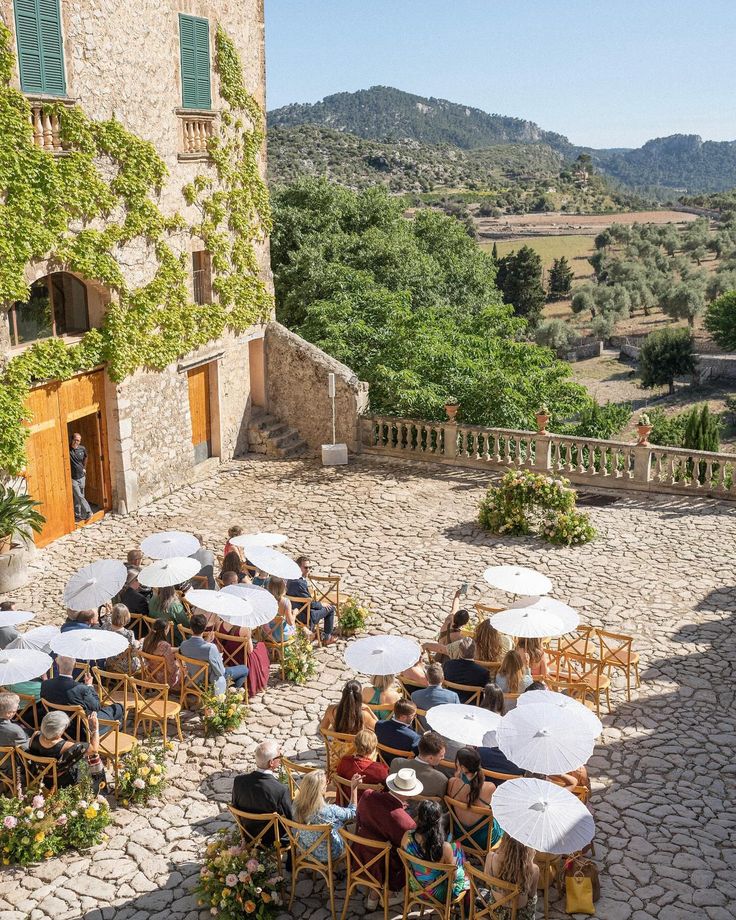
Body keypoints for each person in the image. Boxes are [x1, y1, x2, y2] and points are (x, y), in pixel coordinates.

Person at [355, 770, 419, 901]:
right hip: (386, 867)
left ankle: (373, 896)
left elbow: (360, 819)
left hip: (360, 855)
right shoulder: (407, 824)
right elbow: (407, 849)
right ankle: (388, 895)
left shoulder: (367, 795)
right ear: (409, 794)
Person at [402, 800, 469, 902]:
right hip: (438, 893)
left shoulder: (407, 836)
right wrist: (457, 865)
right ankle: (467, 903)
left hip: (416, 888)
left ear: (419, 818)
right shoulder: (444, 847)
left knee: (456, 846)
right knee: (463, 864)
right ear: (438, 821)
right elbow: (454, 876)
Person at [293, 768, 361, 862]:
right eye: (326, 782)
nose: (327, 784)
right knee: (355, 829)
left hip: (306, 851)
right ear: (320, 789)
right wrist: (354, 788)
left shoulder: (296, 806)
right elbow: (353, 813)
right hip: (330, 854)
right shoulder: (329, 811)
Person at [232, 740, 292, 844]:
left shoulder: (239, 781)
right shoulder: (280, 789)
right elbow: (291, 819)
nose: (281, 758)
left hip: (247, 834)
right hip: (272, 839)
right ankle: (290, 860)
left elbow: (235, 805)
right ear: (271, 762)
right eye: (279, 756)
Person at [40, 656, 124, 725]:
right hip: (81, 730)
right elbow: (97, 707)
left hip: (57, 726)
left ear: (57, 667)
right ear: (74, 666)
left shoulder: (45, 685)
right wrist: (90, 686)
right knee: (118, 707)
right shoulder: (82, 688)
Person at [446, 748, 502, 851]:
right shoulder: (490, 788)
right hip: (483, 842)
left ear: (461, 767)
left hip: (458, 836)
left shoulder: (452, 783)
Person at [28, 709, 99, 789]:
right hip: (60, 784)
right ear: (59, 732)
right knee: (90, 758)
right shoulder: (66, 746)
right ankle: (97, 785)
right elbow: (94, 749)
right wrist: (95, 729)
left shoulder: (34, 736)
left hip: (39, 778)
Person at [180, 613, 248, 694]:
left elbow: (196, 648)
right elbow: (221, 671)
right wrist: (219, 656)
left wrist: (206, 642)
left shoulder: (184, 645)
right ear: (205, 628)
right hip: (209, 681)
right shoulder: (210, 648)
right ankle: (232, 694)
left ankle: (229, 692)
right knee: (245, 669)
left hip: (193, 679)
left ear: (190, 628)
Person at [482, 835, 539, 920]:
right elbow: (532, 895)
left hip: (494, 912)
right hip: (520, 917)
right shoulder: (534, 870)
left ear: (504, 841)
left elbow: (487, 882)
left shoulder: (491, 858)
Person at [286, 556, 337, 646]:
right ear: (298, 568)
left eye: (310, 567)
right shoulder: (299, 583)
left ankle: (321, 634)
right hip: (306, 616)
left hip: (295, 613)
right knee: (330, 608)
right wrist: (321, 604)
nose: (308, 570)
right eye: (306, 567)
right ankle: (327, 638)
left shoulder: (289, 580)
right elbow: (311, 604)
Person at [216, 617, 270, 697]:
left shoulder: (220, 624)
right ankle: (258, 683)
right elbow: (250, 650)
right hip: (241, 659)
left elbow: (219, 646)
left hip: (227, 657)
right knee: (261, 648)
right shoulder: (245, 628)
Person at [335, 729, 388, 803]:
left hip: (345, 805)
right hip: (369, 811)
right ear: (374, 747)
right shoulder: (380, 770)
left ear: (354, 744)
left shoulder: (344, 761)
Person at [392, 731, 448, 799]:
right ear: (430, 758)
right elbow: (441, 804)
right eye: (441, 755)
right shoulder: (441, 779)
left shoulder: (396, 763)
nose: (443, 758)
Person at [411, 663, 460, 728]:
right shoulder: (453, 696)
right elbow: (458, 716)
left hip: (424, 732)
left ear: (427, 678)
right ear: (443, 678)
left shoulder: (415, 696)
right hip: (445, 733)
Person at [443, 638, 490, 702]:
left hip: (450, 703)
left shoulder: (448, 665)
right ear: (475, 651)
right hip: (472, 708)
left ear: (459, 651)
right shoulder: (483, 673)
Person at [374, 699, 421, 764]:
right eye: (413, 715)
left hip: (382, 762)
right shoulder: (414, 737)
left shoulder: (379, 725)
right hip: (402, 768)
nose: (415, 717)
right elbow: (420, 755)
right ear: (403, 717)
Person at [141, 619, 180, 689]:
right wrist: (179, 667)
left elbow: (158, 650)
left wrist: (177, 649)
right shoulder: (165, 646)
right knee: (183, 670)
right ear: (165, 630)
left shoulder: (147, 640)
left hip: (150, 675)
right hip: (163, 680)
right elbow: (171, 669)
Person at [103, 603, 141, 673]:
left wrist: (108, 613)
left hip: (109, 663)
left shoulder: (106, 628)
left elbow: (107, 621)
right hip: (125, 668)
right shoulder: (129, 634)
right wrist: (138, 644)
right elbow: (133, 653)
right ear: (126, 618)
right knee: (143, 660)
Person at [263, 577, 297, 642]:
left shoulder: (265, 601)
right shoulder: (286, 602)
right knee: (294, 627)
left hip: (269, 635)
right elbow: (290, 622)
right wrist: (294, 614)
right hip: (282, 636)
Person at [69, 431, 92, 522]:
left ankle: (77, 515)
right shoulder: (68, 450)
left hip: (82, 477)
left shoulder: (82, 449)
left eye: (78, 440)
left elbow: (86, 456)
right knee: (79, 495)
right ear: (72, 439)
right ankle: (88, 512)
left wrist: (84, 468)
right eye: (75, 440)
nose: (77, 442)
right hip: (73, 478)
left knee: (80, 496)